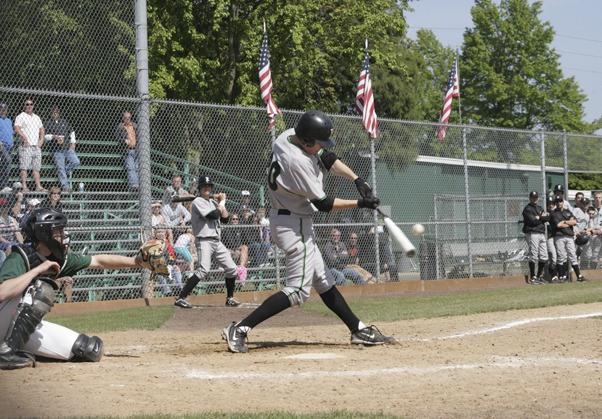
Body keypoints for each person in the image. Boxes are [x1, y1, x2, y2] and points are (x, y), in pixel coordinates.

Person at [221, 110, 395, 353]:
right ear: (306, 141)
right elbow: (324, 204)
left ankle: (357, 329)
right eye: (318, 143)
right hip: (294, 225)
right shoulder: (298, 163)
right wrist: (360, 203)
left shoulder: (289, 136)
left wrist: (357, 180)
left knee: (324, 281)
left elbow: (326, 156)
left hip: (289, 218)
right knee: (298, 291)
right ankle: (240, 328)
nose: (322, 147)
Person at [0, 208, 166, 370]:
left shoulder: (59, 259)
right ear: (44, 234)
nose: (63, 236)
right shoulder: (20, 256)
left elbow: (98, 261)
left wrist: (136, 262)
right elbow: (3, 293)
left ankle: (14, 348)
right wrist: (37, 270)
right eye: (58, 231)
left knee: (88, 349)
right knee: (42, 290)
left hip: (16, 329)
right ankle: (5, 354)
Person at [173, 175, 241, 308]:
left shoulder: (213, 203)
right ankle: (181, 298)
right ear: (199, 188)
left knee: (232, 269)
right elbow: (214, 215)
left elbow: (225, 219)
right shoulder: (198, 201)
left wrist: (222, 203)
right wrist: (221, 203)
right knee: (203, 270)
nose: (207, 188)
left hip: (216, 241)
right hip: (204, 240)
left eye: (209, 186)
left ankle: (230, 298)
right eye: (204, 186)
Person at [550, 195, 587, 282]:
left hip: (569, 236)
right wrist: (568, 223)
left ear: (563, 202)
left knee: (573, 256)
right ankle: (562, 276)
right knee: (561, 256)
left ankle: (579, 276)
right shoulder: (553, 213)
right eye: (557, 202)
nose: (559, 203)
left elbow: (574, 222)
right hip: (559, 236)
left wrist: (565, 222)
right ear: (555, 203)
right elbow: (558, 225)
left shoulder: (568, 211)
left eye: (560, 201)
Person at [43, 106, 80, 192]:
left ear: (59, 113)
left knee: (76, 162)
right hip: (57, 150)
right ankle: (65, 186)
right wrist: (53, 136)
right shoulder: (48, 123)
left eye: (56, 112)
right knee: (60, 168)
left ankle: (62, 174)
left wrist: (73, 143)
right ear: (50, 113)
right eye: (53, 112)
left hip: (67, 148)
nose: (54, 113)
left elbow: (72, 132)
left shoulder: (64, 122)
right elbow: (44, 136)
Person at [13, 99, 46, 192]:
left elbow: (42, 128)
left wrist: (42, 139)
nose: (29, 106)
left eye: (31, 104)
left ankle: (38, 186)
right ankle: (24, 186)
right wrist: (24, 138)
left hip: (36, 146)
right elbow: (16, 128)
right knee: (24, 167)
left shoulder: (36, 117)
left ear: (33, 105)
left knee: (36, 168)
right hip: (26, 145)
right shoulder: (21, 116)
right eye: (27, 104)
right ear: (24, 106)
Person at [522, 191, 550, 284]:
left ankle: (538, 276)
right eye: (533, 197)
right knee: (533, 255)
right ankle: (533, 277)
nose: (535, 199)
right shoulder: (527, 209)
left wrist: (540, 217)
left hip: (541, 233)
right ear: (530, 198)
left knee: (544, 256)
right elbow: (533, 221)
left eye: (536, 197)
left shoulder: (540, 207)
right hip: (532, 233)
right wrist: (540, 217)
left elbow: (547, 218)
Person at [116, 111, 139, 189]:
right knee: (131, 167)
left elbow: (139, 136)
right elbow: (118, 137)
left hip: (136, 149)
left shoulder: (135, 126)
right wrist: (124, 140)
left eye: (129, 118)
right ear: (123, 118)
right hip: (127, 150)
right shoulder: (120, 127)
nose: (127, 119)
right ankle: (135, 184)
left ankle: (138, 183)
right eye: (126, 118)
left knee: (137, 167)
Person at [0, 198, 24, 264]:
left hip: (13, 241)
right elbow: (0, 238)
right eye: (3, 206)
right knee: (10, 247)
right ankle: (9, 265)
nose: (6, 208)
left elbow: (18, 234)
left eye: (7, 206)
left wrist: (22, 244)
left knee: (24, 247)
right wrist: (10, 243)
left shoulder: (12, 220)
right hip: (2, 243)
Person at [581, 205, 602, 269]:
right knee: (588, 255)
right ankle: (584, 269)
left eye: (593, 214)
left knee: (595, 254)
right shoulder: (584, 218)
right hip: (587, 239)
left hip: (597, 238)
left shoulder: (599, 219)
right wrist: (588, 230)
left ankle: (593, 270)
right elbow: (582, 229)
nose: (591, 215)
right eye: (589, 214)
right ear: (587, 213)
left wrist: (593, 231)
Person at [0, 103, 14, 194]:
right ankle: (3, 185)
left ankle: (4, 184)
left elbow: (11, 132)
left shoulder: (9, 120)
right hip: (1, 145)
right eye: (2, 109)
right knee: (8, 161)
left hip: (9, 146)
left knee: (6, 165)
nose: (4, 111)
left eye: (5, 109)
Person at [545, 196, 559, 282]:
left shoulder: (557, 213)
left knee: (560, 257)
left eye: (552, 204)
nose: (550, 205)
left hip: (557, 237)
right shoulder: (545, 214)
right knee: (553, 258)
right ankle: (552, 275)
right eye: (549, 204)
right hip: (549, 238)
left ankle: (556, 275)